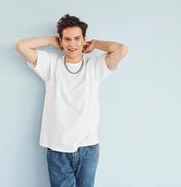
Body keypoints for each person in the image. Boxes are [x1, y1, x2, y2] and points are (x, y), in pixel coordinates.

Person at [15, 14, 129, 187]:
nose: (72, 43)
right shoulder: (51, 65)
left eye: (77, 38)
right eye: (67, 39)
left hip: (88, 147)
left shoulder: (95, 67)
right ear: (61, 42)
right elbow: (21, 46)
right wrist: (51, 40)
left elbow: (122, 49)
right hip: (58, 148)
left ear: (84, 40)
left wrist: (95, 44)